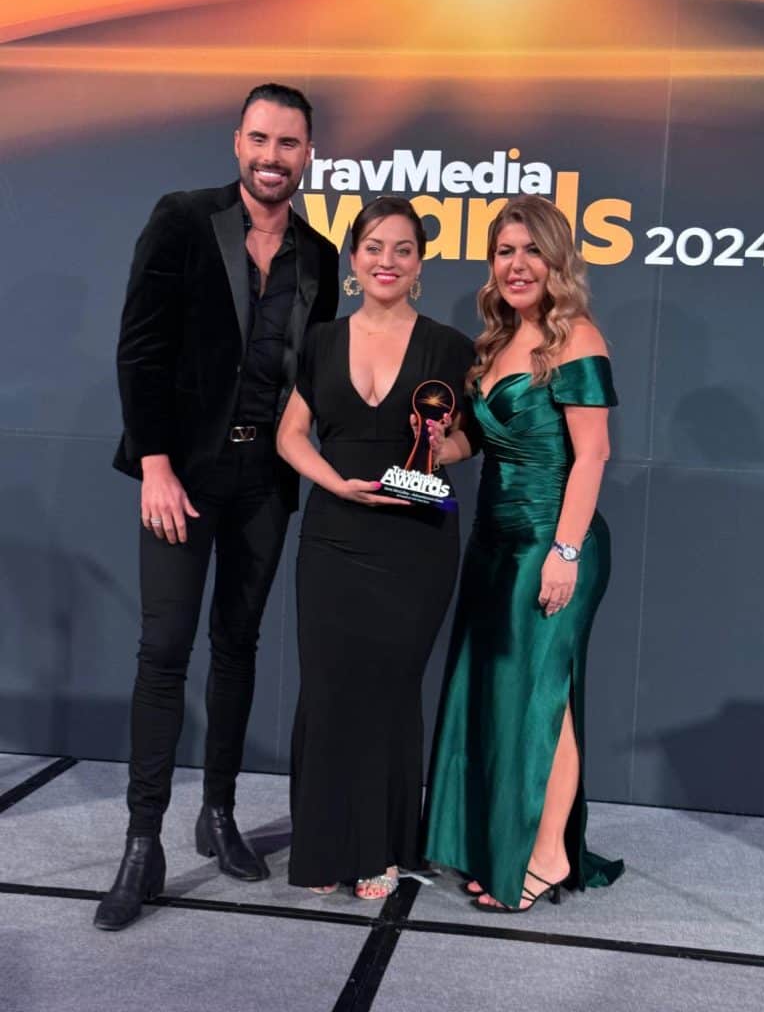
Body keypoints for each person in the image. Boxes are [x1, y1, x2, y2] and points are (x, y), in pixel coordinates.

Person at [94, 84, 339, 931]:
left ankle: (220, 814)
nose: (273, 158)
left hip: (265, 485)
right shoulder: (182, 218)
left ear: (309, 153)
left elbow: (315, 384)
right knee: (163, 653)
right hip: (182, 479)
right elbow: (140, 348)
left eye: (290, 143)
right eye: (260, 140)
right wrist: (155, 464)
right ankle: (142, 842)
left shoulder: (320, 253)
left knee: (237, 648)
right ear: (238, 142)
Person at [424, 195, 624, 911]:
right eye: (504, 252)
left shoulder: (577, 339)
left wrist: (564, 552)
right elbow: (471, 445)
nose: (516, 265)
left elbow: (593, 454)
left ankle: (542, 857)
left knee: (546, 698)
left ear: (556, 259)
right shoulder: (492, 344)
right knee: (500, 697)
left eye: (530, 251)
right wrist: (429, 443)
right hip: (491, 544)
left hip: (552, 541)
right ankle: (497, 843)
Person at [276, 197, 474, 899]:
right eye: (373, 247)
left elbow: (467, 435)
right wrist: (336, 483)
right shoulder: (323, 339)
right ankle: (325, 847)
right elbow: (290, 433)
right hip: (333, 534)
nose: (386, 261)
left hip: (414, 541)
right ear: (353, 259)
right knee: (329, 689)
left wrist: (437, 448)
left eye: (402, 249)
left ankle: (380, 847)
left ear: (419, 264)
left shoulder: (448, 344)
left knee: (389, 693)